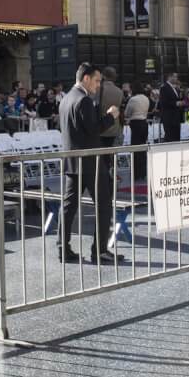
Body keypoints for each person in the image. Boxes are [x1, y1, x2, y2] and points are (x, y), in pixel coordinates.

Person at [58, 63, 122, 264]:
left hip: (72, 162)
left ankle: (63, 248)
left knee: (68, 207)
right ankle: (100, 250)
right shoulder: (84, 100)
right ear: (86, 78)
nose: (98, 85)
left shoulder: (66, 99)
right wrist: (111, 116)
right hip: (91, 164)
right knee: (103, 206)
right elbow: (94, 129)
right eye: (96, 80)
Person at [124, 81, 151, 179]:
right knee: (143, 149)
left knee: (135, 148)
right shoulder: (146, 98)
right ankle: (143, 172)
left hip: (135, 124)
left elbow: (127, 113)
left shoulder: (133, 99)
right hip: (144, 123)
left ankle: (136, 174)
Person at [98, 67, 123, 148]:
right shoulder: (119, 91)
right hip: (114, 128)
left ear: (103, 76)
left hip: (101, 128)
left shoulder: (97, 90)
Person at [158, 73, 183, 143]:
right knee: (170, 137)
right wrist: (175, 103)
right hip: (169, 117)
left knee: (176, 137)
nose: (176, 78)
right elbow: (163, 102)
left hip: (176, 116)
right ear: (169, 77)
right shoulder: (164, 87)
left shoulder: (175, 88)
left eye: (176, 77)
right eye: (174, 77)